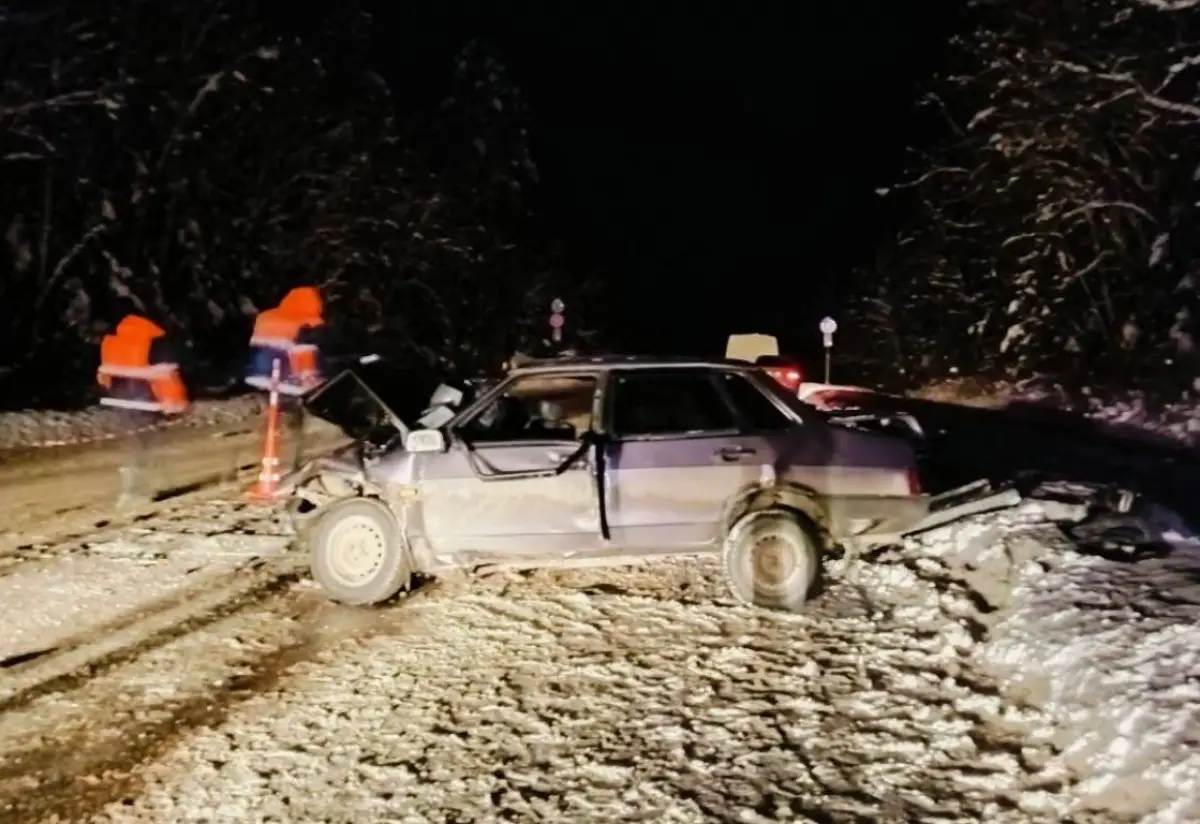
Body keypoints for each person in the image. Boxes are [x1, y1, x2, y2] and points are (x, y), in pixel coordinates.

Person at [96, 314, 190, 508]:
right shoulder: (156, 342)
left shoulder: (111, 342)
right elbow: (166, 376)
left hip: (121, 401)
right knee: (145, 447)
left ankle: (132, 489)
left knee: (132, 445)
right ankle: (136, 493)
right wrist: (175, 401)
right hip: (147, 402)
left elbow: (104, 376)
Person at [245, 286, 327, 471]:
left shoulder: (265, 317)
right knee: (294, 421)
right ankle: (291, 462)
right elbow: (304, 353)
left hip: (259, 377)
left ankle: (261, 453)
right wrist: (310, 378)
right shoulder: (308, 321)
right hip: (285, 381)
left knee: (271, 416)